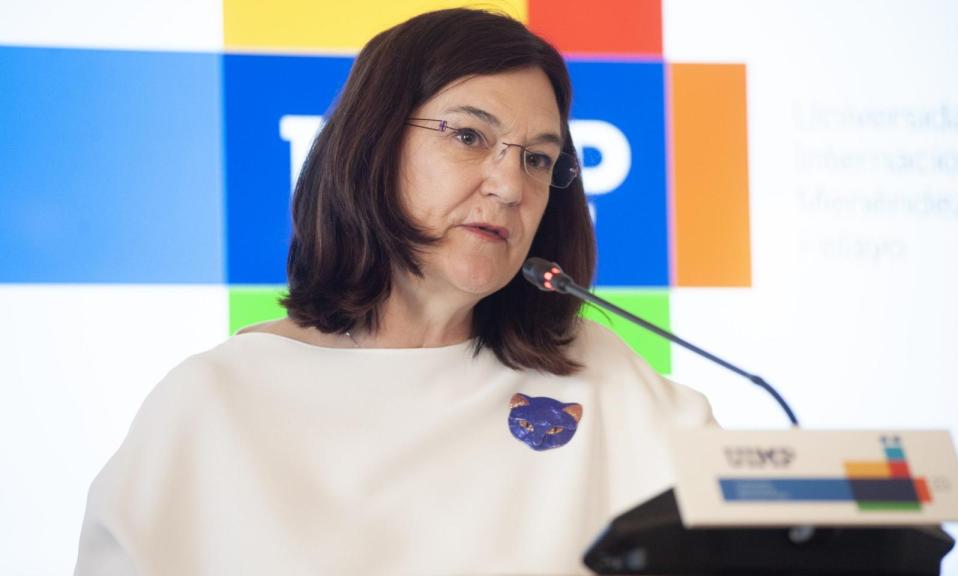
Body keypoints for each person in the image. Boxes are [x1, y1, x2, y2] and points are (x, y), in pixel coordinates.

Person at [75, 8, 715, 575]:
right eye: (470, 137)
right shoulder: (215, 402)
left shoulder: (598, 374)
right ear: (373, 142)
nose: (510, 186)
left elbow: (761, 518)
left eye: (538, 159)